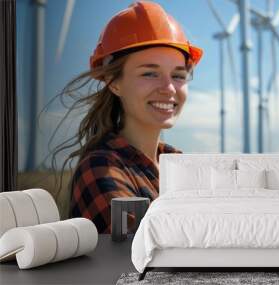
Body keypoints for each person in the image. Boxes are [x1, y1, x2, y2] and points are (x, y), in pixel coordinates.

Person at [50, 1, 203, 234]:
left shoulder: (176, 162)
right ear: (114, 83)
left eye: (178, 75)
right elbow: (146, 255)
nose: (169, 87)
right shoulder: (101, 168)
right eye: (150, 73)